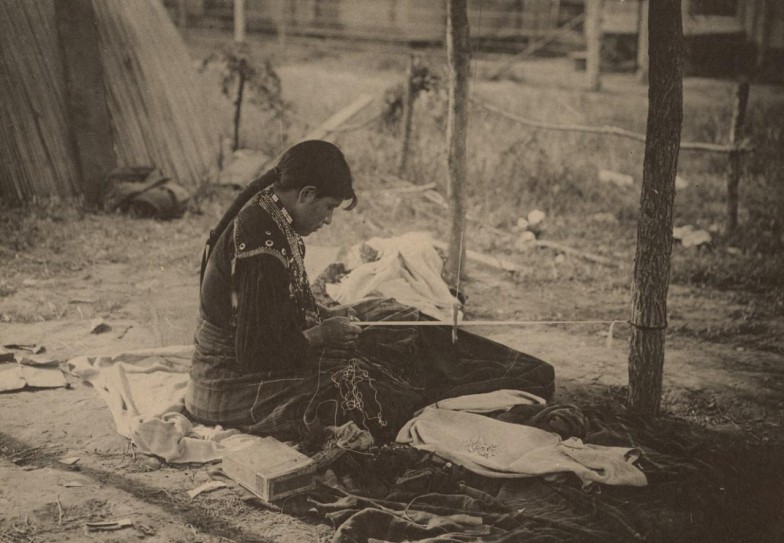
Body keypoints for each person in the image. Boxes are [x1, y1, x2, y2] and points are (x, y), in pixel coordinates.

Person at [186, 140, 554, 446]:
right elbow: (252, 354)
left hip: (253, 361)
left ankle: (516, 372)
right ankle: (495, 382)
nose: (328, 220)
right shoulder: (260, 241)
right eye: (328, 208)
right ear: (306, 194)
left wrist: (326, 320)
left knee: (397, 323)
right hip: (228, 383)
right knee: (378, 394)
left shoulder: (272, 214)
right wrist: (319, 335)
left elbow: (279, 310)